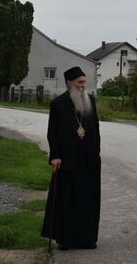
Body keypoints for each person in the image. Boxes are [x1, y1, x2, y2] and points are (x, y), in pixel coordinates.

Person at [41, 66, 101, 250]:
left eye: (84, 82)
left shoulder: (90, 101)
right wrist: (55, 156)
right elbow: (52, 133)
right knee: (67, 201)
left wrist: (96, 152)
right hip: (68, 160)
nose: (83, 86)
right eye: (79, 82)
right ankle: (65, 239)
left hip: (88, 160)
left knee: (87, 200)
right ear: (70, 84)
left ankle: (87, 238)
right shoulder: (58, 104)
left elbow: (95, 128)